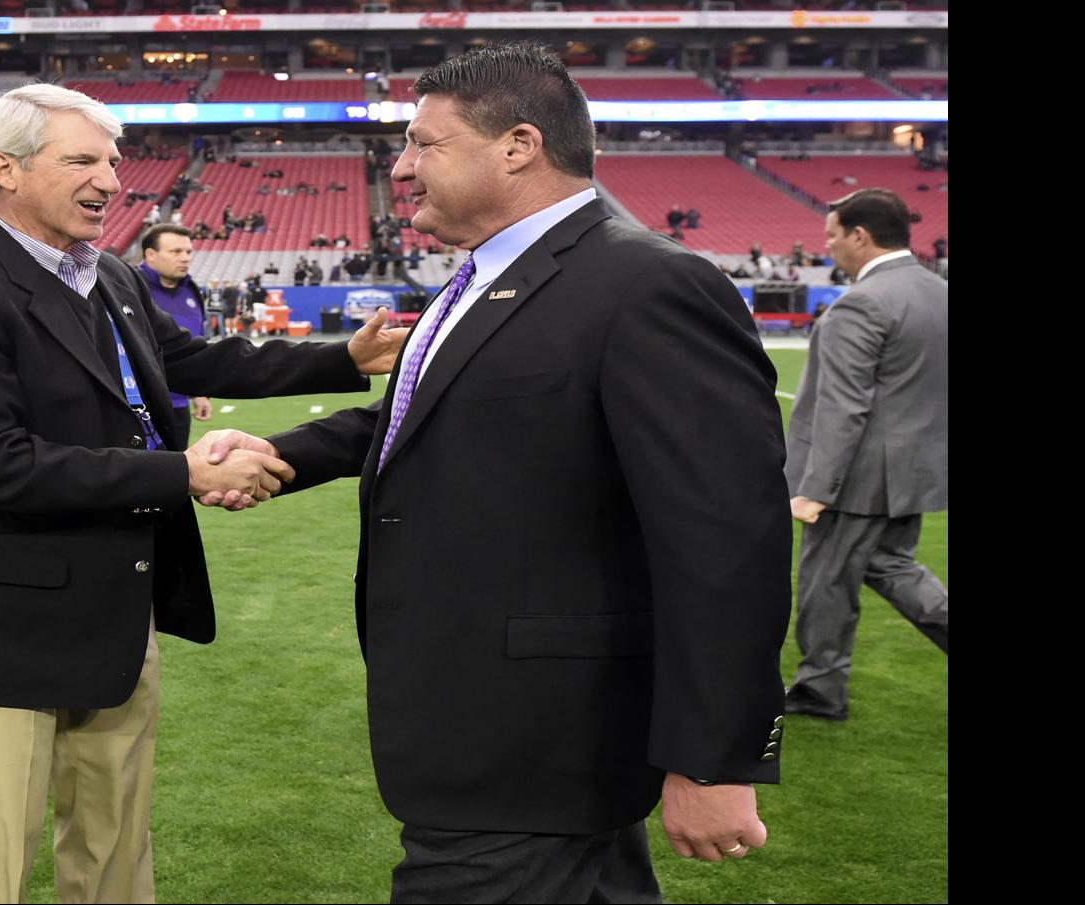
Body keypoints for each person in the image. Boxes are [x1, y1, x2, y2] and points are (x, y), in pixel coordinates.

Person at [222, 43, 792, 903]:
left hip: (537, 736)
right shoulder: (487, 277)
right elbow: (427, 414)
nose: (401, 168)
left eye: (423, 143)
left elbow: (724, 536)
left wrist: (712, 757)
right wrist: (285, 453)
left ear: (518, 145)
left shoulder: (644, 284)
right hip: (509, 733)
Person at [0, 82, 408, 905]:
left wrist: (341, 359)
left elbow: (199, 361)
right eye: (83, 159)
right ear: (5, 169)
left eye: (115, 160)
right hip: (0, 630)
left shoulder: (110, 277)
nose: (110, 178)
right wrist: (184, 473)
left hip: (115, 609)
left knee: (115, 853)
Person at [783, 188, 948, 723]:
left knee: (826, 584)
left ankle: (820, 689)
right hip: (912, 469)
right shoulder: (937, 291)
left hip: (857, 478)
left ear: (860, 235)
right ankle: (820, 685)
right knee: (893, 567)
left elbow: (842, 408)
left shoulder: (862, 303)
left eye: (832, 235)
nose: (827, 246)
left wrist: (815, 490)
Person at [139, 223, 212, 448]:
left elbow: (197, 344)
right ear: (150, 255)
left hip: (178, 405)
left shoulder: (192, 290)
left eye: (188, 252)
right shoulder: (128, 287)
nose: (185, 258)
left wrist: (199, 392)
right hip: (139, 406)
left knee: (177, 474)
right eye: (176, 252)